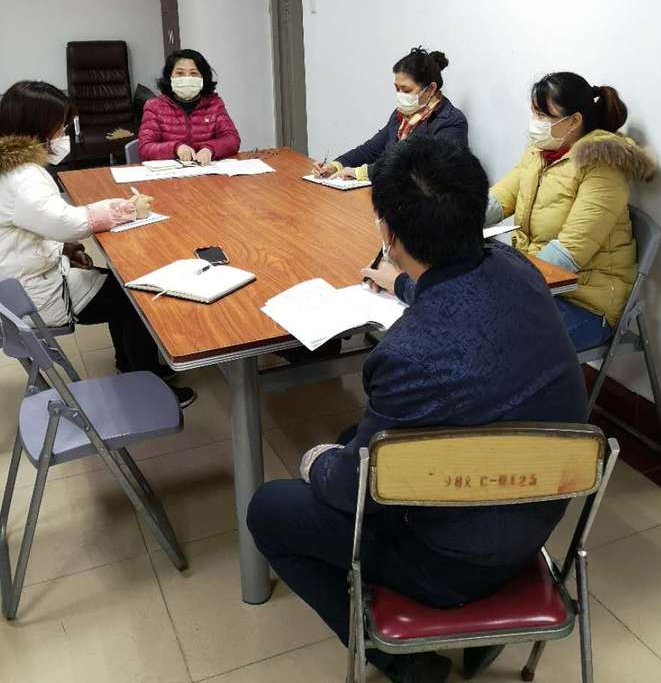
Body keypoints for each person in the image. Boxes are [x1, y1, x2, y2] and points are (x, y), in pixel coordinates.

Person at [248, 135, 587, 683]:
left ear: (386, 232)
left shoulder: (407, 355)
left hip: (454, 562)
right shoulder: (518, 269)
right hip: (535, 514)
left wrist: (317, 462)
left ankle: (402, 662)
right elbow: (458, 294)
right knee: (360, 435)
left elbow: (352, 490)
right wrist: (402, 283)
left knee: (272, 507)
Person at [0, 80, 195, 407]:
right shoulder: (23, 176)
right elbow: (67, 224)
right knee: (133, 299)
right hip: (31, 295)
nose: (64, 134)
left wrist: (63, 250)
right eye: (61, 127)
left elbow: (22, 226)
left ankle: (132, 366)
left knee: (117, 286)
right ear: (39, 127)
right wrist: (121, 210)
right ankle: (146, 388)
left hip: (7, 281)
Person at [366, 73, 656, 354]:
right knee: (463, 302)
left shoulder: (603, 168)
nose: (535, 123)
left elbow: (568, 255)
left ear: (574, 121)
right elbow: (492, 204)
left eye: (544, 115)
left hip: (583, 304)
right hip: (539, 285)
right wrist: (427, 230)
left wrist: (495, 282)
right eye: (534, 113)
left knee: (474, 327)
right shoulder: (539, 153)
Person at [312, 47, 467, 182]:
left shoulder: (451, 121)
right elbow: (371, 149)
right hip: (388, 194)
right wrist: (336, 165)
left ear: (431, 89)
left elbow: (424, 167)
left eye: (406, 90)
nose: (400, 95)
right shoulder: (402, 114)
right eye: (397, 89)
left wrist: (363, 173)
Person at [138, 49, 240, 163]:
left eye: (193, 73)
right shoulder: (154, 106)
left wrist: (210, 149)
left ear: (203, 77)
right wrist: (176, 148)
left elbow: (232, 139)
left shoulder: (214, 104)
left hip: (206, 170)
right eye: (180, 73)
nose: (187, 78)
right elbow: (145, 147)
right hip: (171, 172)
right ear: (170, 77)